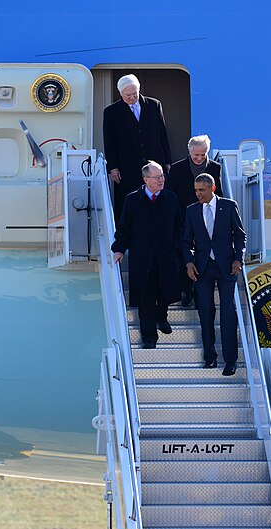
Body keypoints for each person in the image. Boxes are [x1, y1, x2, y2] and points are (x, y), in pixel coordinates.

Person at [182, 173, 246, 376]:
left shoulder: (228, 206)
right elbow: (185, 241)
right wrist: (189, 263)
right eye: (195, 190)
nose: (198, 194)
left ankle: (231, 360)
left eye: (201, 190)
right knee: (205, 311)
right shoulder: (191, 211)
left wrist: (238, 259)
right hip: (202, 268)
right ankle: (210, 358)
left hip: (227, 266)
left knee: (228, 312)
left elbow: (240, 235)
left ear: (212, 188)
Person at [112, 161, 182, 349]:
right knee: (145, 297)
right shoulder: (133, 200)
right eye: (157, 177)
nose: (161, 180)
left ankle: (162, 316)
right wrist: (118, 249)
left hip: (166, 254)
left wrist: (177, 245)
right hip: (142, 257)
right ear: (146, 179)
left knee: (165, 291)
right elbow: (124, 227)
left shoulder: (171, 198)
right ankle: (149, 337)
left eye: (162, 176)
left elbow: (179, 226)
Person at [103, 74, 172, 221]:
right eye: (128, 95)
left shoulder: (154, 105)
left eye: (135, 94)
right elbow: (109, 140)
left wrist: (167, 161)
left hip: (154, 163)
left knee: (157, 199)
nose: (132, 97)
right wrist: (113, 167)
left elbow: (163, 134)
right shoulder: (111, 112)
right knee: (129, 202)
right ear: (120, 93)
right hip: (127, 166)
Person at [165, 134, 223, 306]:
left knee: (203, 255)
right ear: (189, 151)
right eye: (196, 154)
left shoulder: (215, 168)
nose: (199, 158)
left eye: (203, 154)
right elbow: (170, 195)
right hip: (183, 219)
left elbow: (218, 194)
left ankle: (200, 294)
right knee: (184, 255)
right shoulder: (177, 169)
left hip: (207, 219)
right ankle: (186, 291)